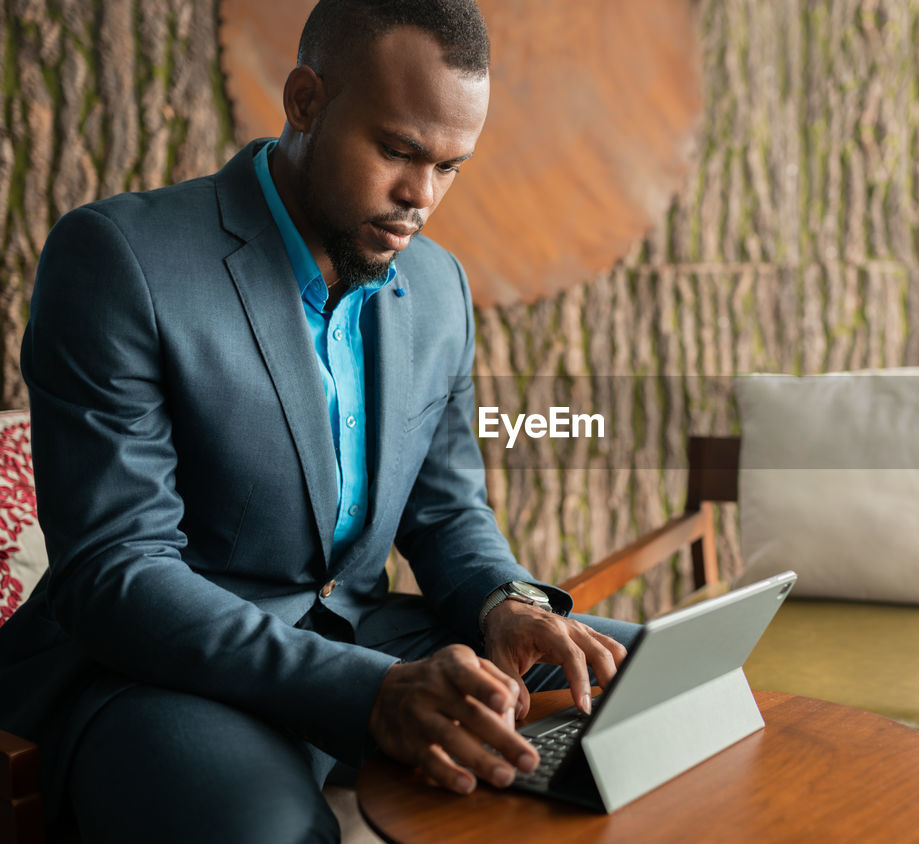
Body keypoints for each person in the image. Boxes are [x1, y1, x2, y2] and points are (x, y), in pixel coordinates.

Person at [0, 1, 638, 840]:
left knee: (649, 686)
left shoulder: (438, 286)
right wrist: (370, 693)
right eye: (399, 151)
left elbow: (448, 513)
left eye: (451, 167)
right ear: (305, 101)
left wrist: (505, 603)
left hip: (366, 632)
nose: (421, 197)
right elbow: (118, 574)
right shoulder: (118, 258)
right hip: (159, 668)